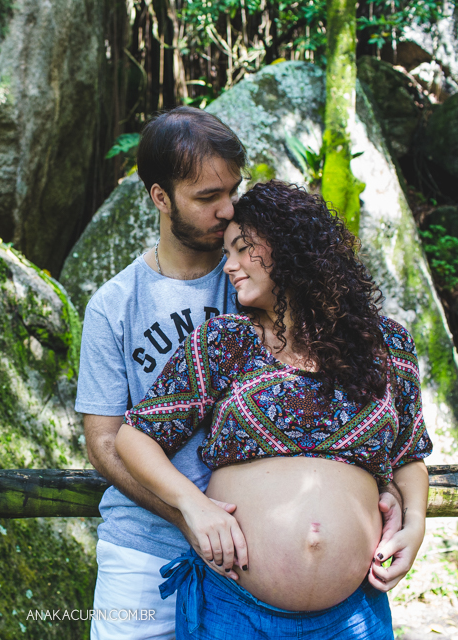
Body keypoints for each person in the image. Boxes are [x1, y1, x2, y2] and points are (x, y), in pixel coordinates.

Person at [77, 107, 409, 640]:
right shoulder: (115, 304)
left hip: (248, 564)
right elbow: (107, 442)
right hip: (144, 545)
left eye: (233, 190)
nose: (227, 209)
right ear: (161, 198)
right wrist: (191, 512)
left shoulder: (259, 281)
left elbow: (333, 386)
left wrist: (380, 490)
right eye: (208, 198)